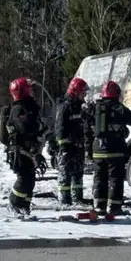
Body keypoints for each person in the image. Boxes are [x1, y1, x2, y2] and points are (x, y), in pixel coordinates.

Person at [85, 80, 131, 220]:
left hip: (98, 150)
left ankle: (99, 207)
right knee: (115, 179)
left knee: (99, 178)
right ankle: (115, 207)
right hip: (114, 149)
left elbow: (86, 128)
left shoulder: (94, 108)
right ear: (116, 94)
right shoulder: (118, 108)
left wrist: (88, 149)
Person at [1, 77, 47, 217]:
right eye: (30, 89)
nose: (33, 92)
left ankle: (24, 206)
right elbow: (26, 129)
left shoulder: (29, 108)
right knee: (24, 179)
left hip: (29, 151)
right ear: (23, 91)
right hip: (20, 152)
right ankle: (14, 204)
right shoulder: (18, 110)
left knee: (30, 180)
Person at [54, 77, 90, 207]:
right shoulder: (64, 107)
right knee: (65, 175)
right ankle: (65, 200)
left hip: (78, 147)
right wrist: (63, 146)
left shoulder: (80, 107)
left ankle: (78, 198)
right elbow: (59, 129)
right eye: (82, 92)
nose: (84, 95)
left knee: (78, 173)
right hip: (67, 148)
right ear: (75, 92)